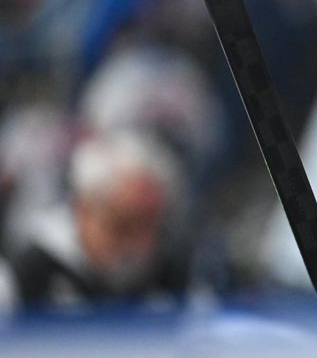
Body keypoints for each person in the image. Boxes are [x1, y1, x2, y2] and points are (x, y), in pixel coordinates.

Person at [0, 129, 187, 316]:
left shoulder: (172, 272)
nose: (140, 245)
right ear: (83, 211)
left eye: (151, 226)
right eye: (123, 226)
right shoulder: (24, 275)